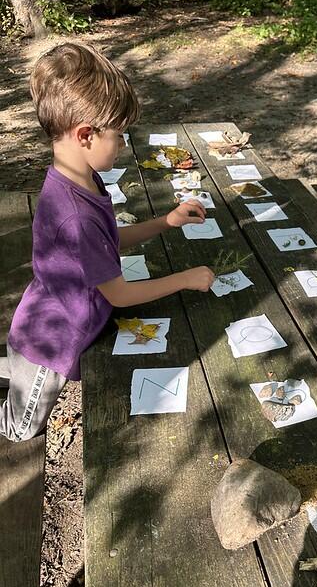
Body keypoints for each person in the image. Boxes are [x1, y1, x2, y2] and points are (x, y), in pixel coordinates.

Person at [0, 42, 214, 442]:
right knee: (20, 427)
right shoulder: (74, 214)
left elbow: (107, 242)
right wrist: (185, 278)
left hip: (52, 321)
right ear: (85, 135)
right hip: (48, 347)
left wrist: (165, 221)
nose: (124, 144)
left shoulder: (81, 180)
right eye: (119, 135)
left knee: (16, 375)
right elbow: (119, 294)